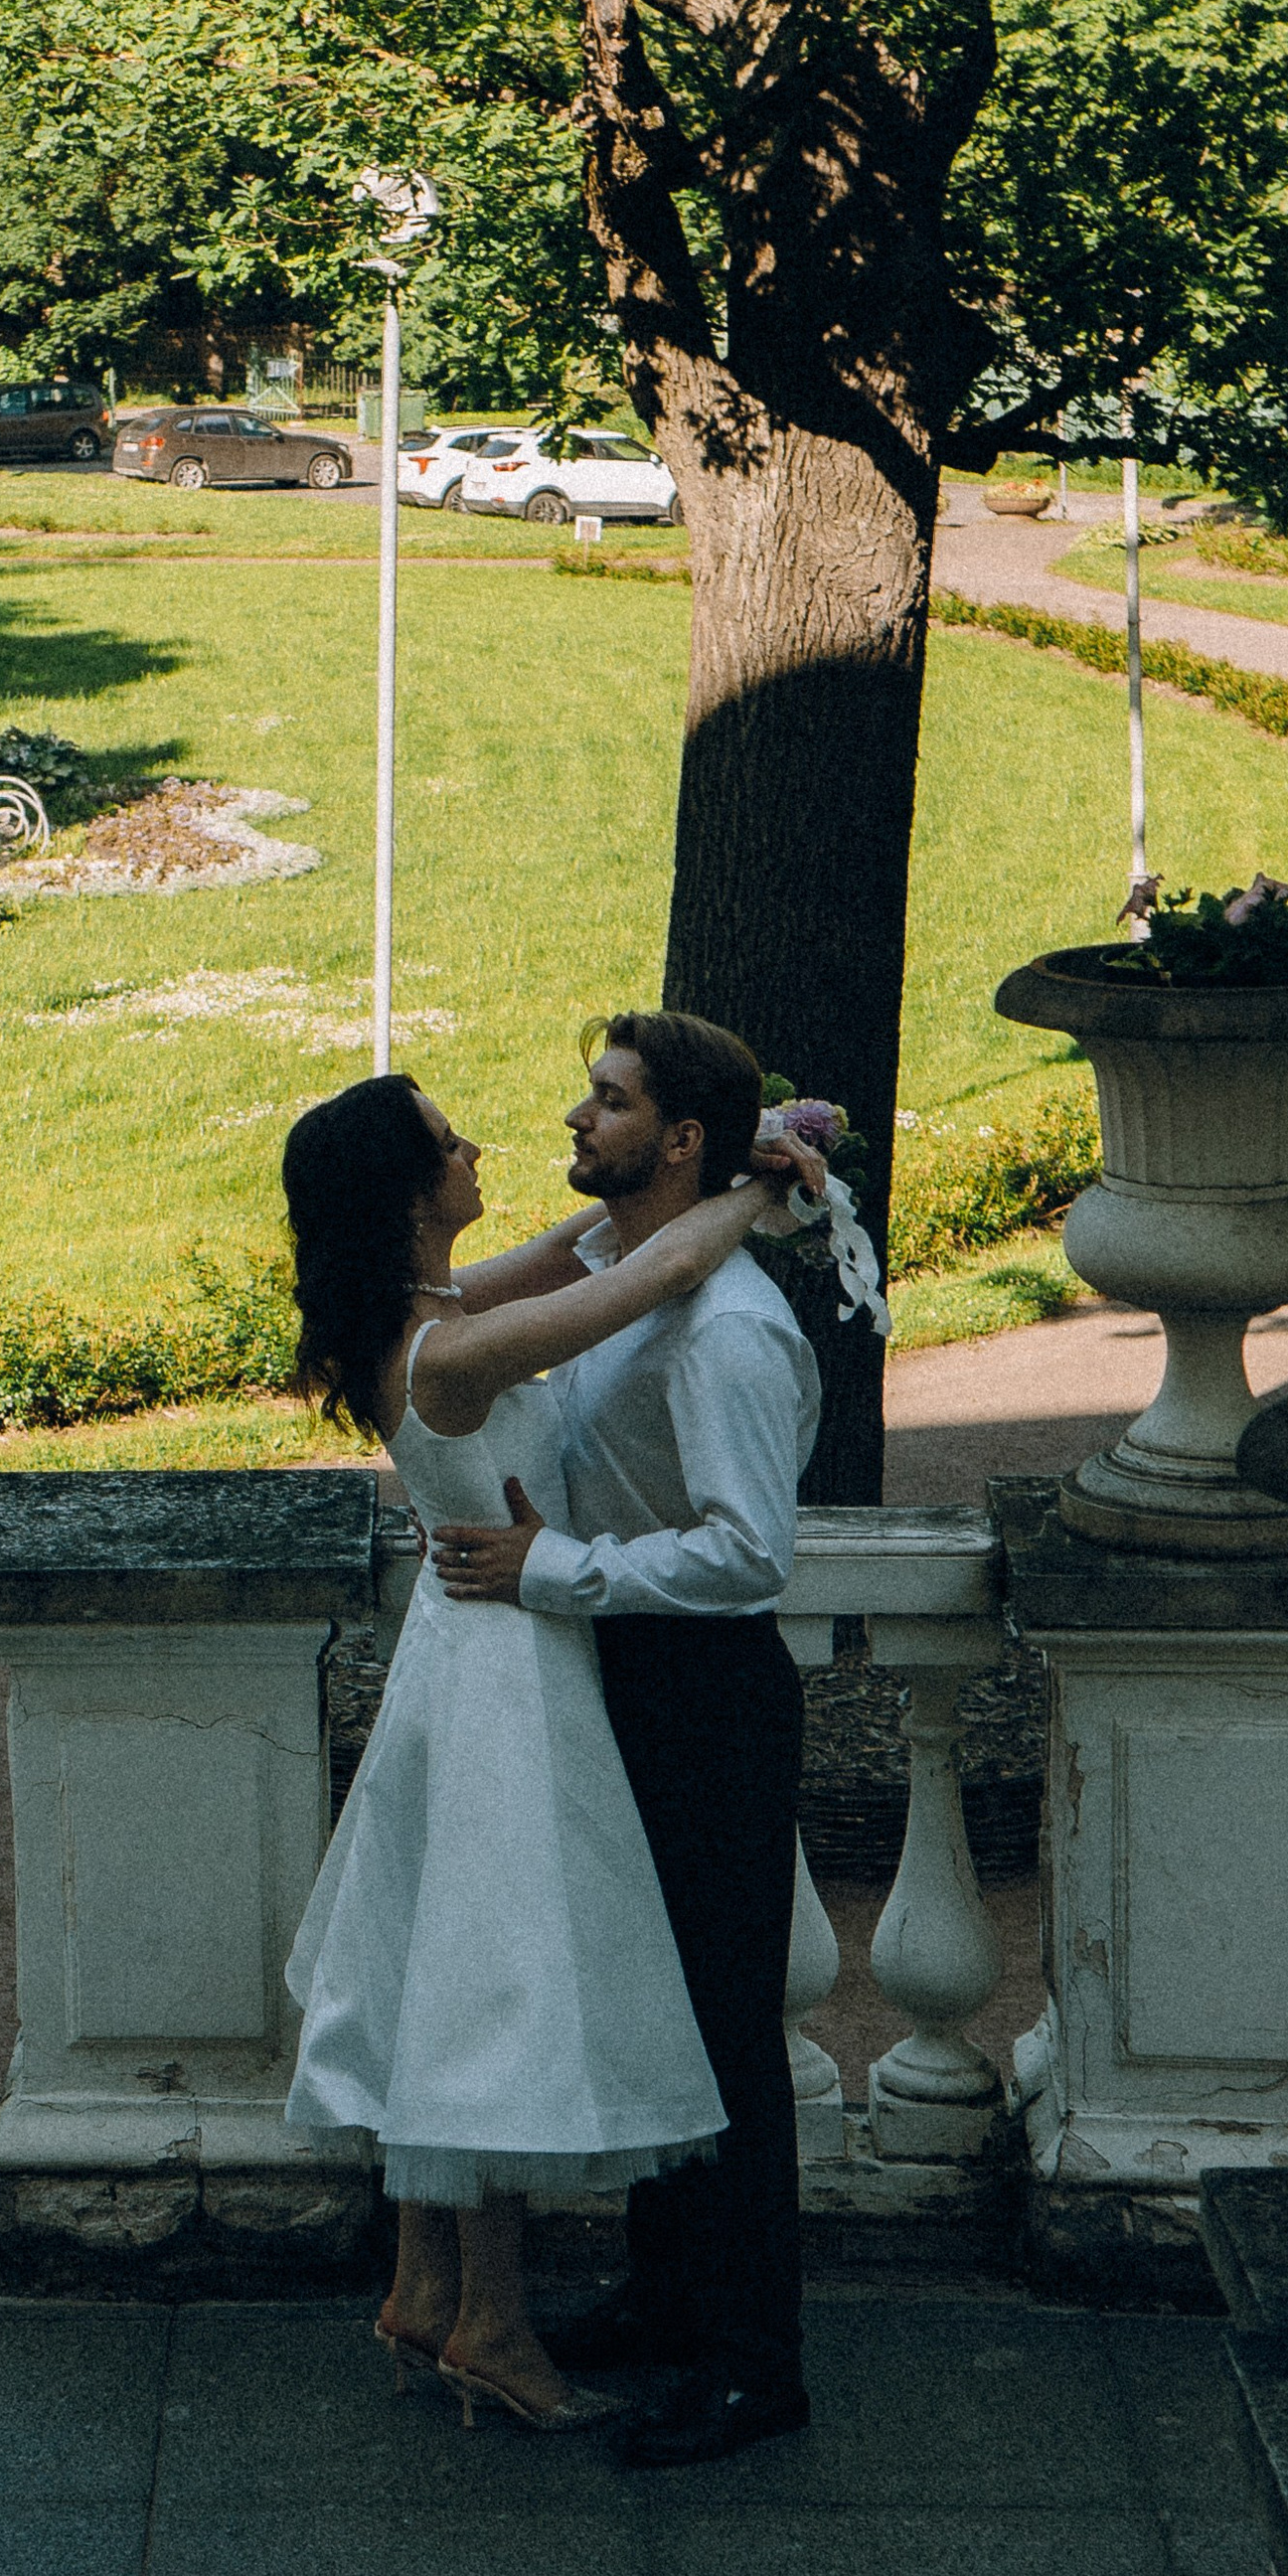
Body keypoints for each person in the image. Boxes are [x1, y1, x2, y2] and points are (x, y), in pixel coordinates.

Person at [280, 1072, 784, 2431]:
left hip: (473, 1651)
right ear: (408, 1193)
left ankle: (426, 2290)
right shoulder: (449, 1352)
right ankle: (492, 2324)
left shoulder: (441, 1307)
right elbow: (661, 1264)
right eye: (450, 1144)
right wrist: (764, 1179)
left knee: (446, 1977)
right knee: (500, 1991)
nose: (480, 1146)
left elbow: (593, 1244)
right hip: (511, 1668)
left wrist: (756, 1135)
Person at [430, 1012, 820, 2470]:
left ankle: (751, 2364)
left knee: (722, 2032)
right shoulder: (617, 1272)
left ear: (682, 1140)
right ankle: (667, 2297)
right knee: (652, 2007)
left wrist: (557, 1573)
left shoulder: (726, 1334)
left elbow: (746, 1558)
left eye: (609, 1103)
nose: (576, 1120)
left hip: (702, 1693)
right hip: (619, 1679)